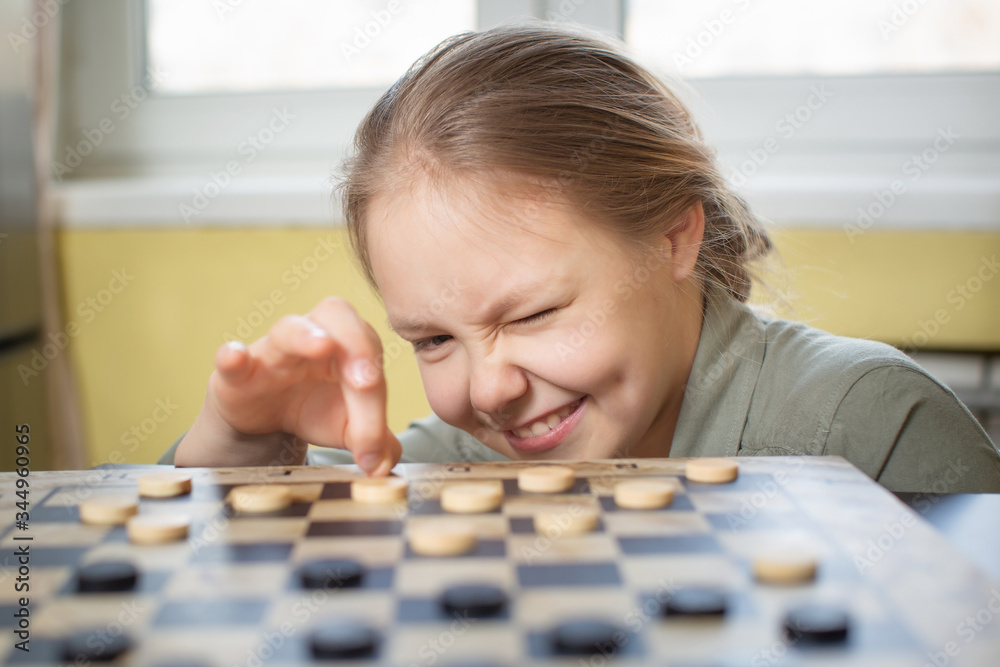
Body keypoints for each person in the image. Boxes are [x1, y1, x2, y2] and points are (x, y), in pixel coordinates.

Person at [169, 22, 1000, 493]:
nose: (489, 389)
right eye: (432, 341)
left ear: (676, 236)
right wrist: (244, 442)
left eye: (531, 314)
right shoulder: (460, 458)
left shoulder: (874, 430)